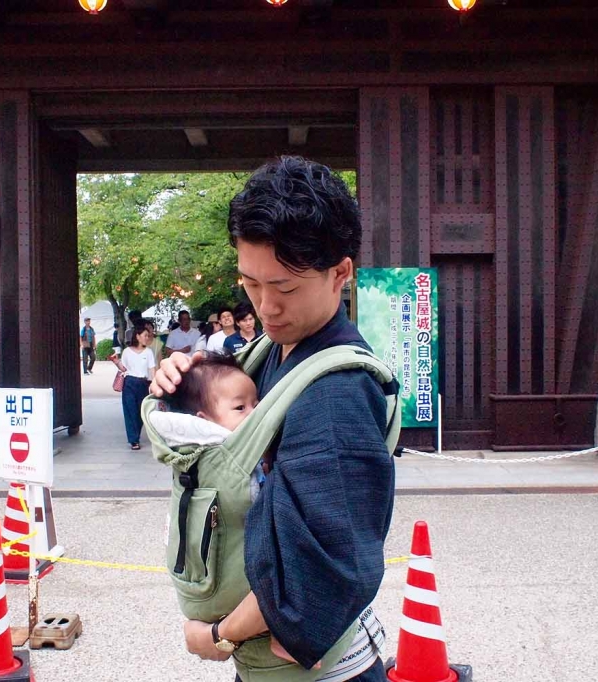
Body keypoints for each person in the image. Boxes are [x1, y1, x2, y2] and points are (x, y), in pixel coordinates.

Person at [152, 156, 394, 681]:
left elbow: (325, 566)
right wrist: (182, 379)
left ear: (341, 273)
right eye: (251, 285)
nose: (265, 307)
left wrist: (215, 637)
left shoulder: (336, 395)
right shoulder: (273, 352)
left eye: (284, 289)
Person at [112, 323, 157, 450]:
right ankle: (133, 439)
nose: (147, 338)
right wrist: (116, 362)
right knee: (130, 410)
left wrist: (153, 384)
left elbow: (152, 369)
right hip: (129, 382)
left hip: (143, 383)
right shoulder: (127, 352)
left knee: (140, 411)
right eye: (145, 335)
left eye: (148, 336)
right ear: (137, 336)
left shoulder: (148, 352)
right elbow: (123, 369)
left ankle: (135, 435)